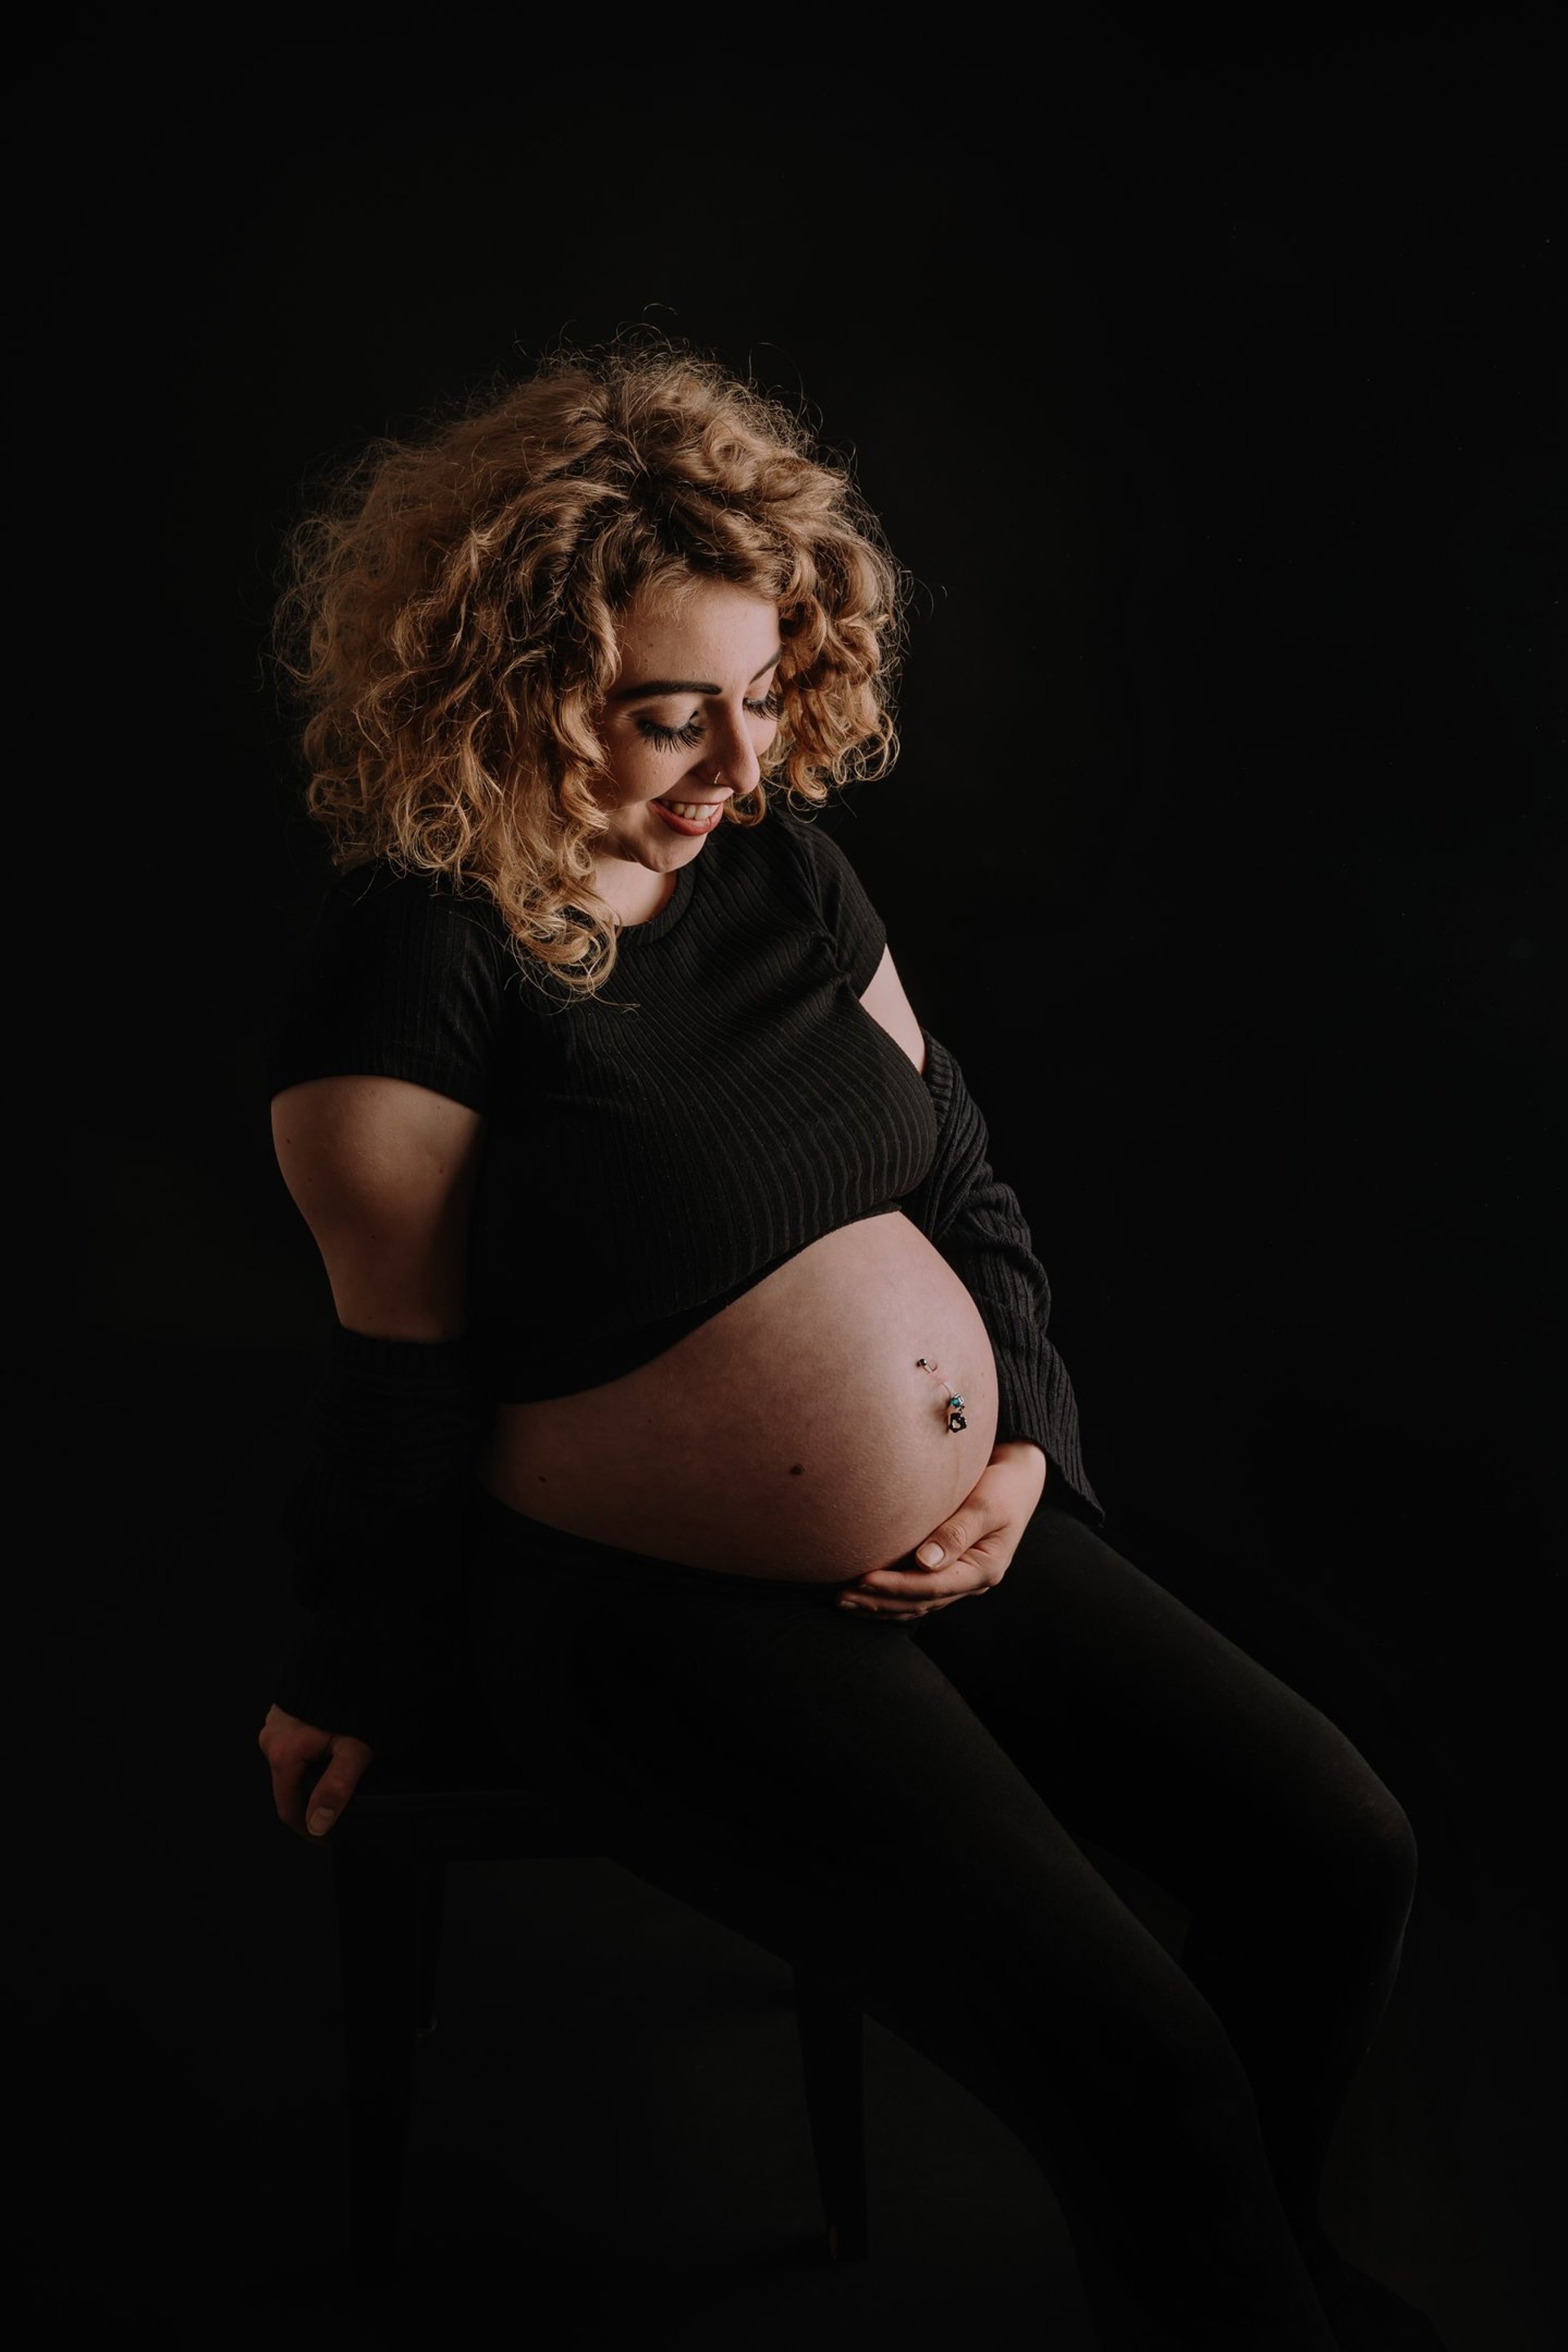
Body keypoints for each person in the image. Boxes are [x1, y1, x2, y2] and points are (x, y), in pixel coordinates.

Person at [256, 333, 1447, 2350]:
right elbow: (400, 1374)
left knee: (1340, 1850)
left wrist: (1017, 1457)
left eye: (758, 701)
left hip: (956, 1540)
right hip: (654, 1623)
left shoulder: (782, 867)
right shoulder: (418, 972)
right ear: (514, 701)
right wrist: (350, 1674)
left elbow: (958, 1187)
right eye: (666, 720)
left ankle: (1262, 2264)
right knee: (1127, 2039)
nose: (741, 766)